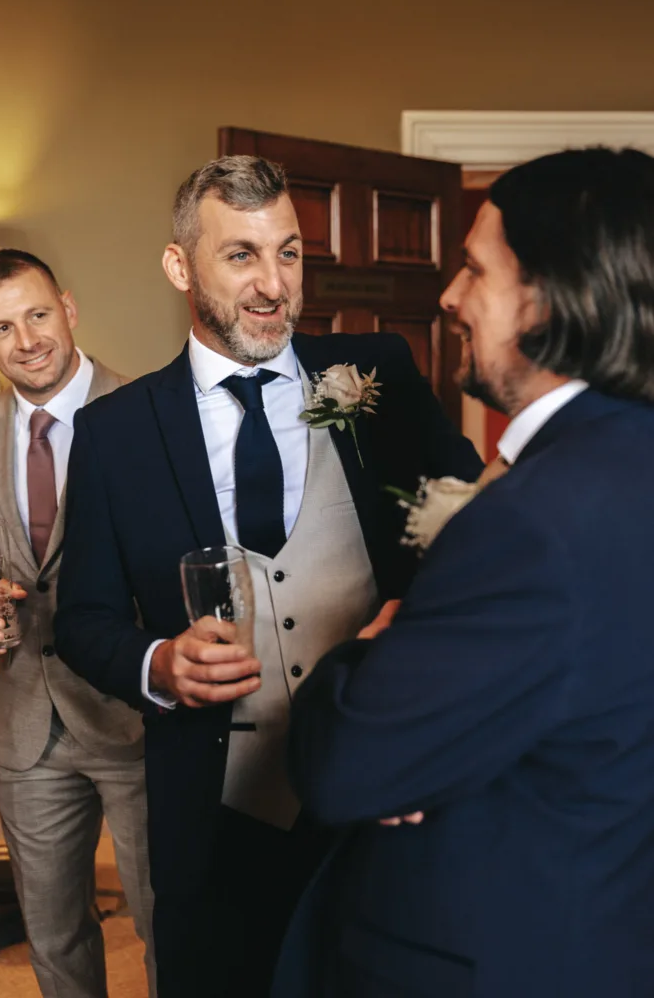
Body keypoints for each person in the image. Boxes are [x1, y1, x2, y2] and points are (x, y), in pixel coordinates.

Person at [53, 155, 483, 998]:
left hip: (378, 796)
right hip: (215, 819)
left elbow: (478, 522)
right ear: (180, 265)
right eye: (241, 255)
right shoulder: (116, 432)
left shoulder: (372, 375)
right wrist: (160, 666)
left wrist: (419, 616)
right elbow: (84, 618)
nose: (273, 285)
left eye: (287, 253)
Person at [274, 146, 654, 998]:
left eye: (475, 270)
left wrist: (372, 651)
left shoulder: (532, 520)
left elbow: (347, 766)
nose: (446, 297)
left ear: (552, 295)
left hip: (490, 954)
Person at [0, 250, 155, 997]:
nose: (28, 340)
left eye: (38, 315)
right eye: (2, 328)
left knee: (166, 921)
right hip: (26, 720)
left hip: (137, 718)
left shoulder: (148, 412)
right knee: (52, 935)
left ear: (70, 309)